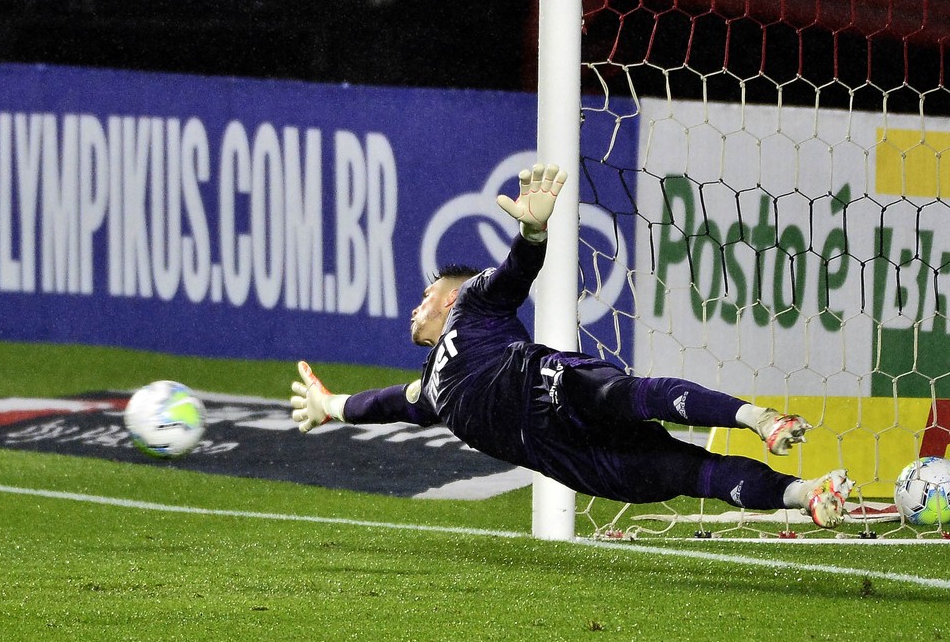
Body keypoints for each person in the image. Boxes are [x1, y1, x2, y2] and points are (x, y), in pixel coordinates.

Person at [291, 164, 854, 528]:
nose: (416, 304)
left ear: (450, 295)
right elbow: (385, 403)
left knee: (634, 395)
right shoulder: (432, 389)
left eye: (425, 292)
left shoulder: (474, 303)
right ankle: (806, 495)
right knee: (691, 475)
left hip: (556, 392)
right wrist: (330, 405)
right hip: (578, 462)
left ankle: (759, 418)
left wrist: (533, 232)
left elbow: (516, 270)